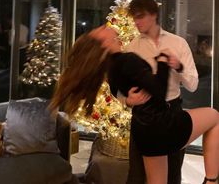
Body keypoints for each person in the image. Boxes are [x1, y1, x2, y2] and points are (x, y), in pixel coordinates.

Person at [50, 25, 219, 184]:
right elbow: (158, 91)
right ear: (105, 44)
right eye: (100, 30)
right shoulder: (127, 59)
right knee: (214, 116)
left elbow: (120, 91)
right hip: (161, 124)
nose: (105, 26)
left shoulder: (113, 67)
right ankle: (212, 180)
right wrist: (162, 62)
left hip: (145, 128)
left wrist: (129, 99)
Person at [123, 0, 199, 184]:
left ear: (154, 15)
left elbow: (193, 84)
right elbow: (119, 87)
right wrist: (126, 100)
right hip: (144, 115)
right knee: (138, 176)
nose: (136, 22)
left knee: (172, 174)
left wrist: (178, 66)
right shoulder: (132, 48)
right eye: (134, 17)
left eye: (140, 16)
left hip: (172, 113)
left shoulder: (178, 43)